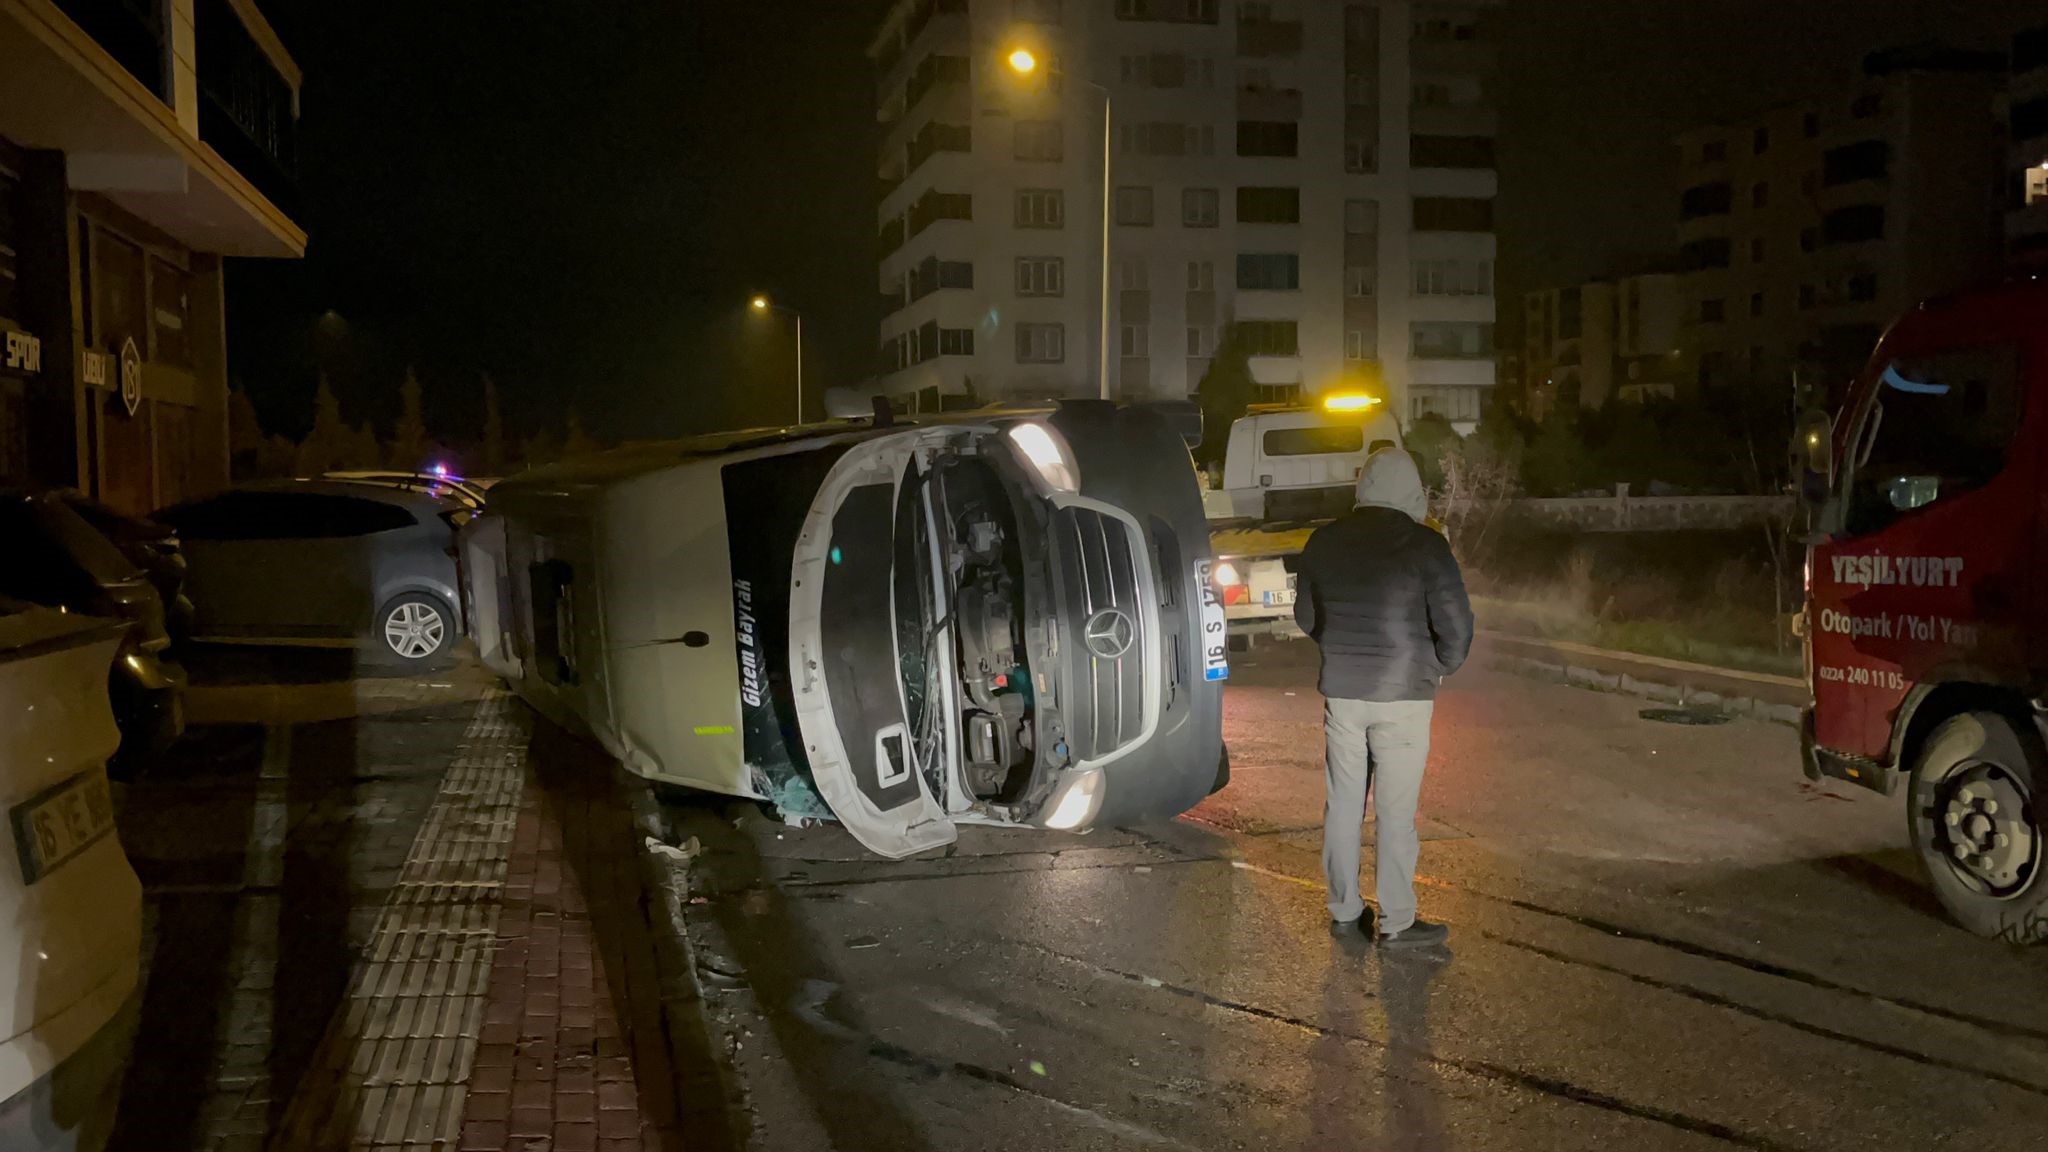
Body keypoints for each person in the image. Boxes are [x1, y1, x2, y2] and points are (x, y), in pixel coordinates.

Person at [1293, 446, 1473, 949]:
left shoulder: (1324, 541)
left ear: (1363, 487)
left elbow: (1307, 616)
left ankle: (1345, 911)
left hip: (1344, 695)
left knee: (1343, 806)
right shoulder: (1426, 545)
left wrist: (1342, 649)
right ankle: (1397, 921)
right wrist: (1437, 668)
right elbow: (1457, 625)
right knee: (1396, 812)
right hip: (1405, 697)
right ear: (1412, 489)